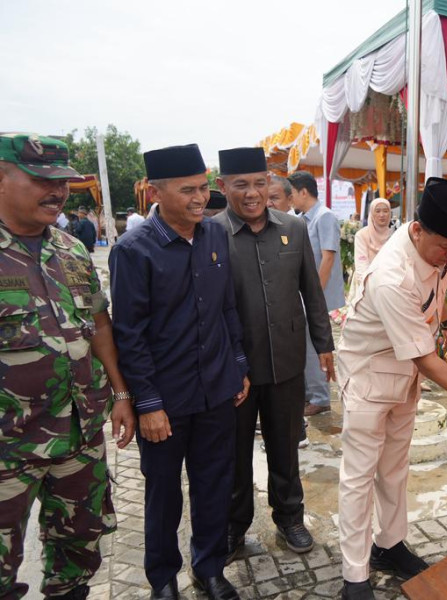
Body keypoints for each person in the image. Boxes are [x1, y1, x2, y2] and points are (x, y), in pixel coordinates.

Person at [337, 177, 447, 600]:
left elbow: (433, 295)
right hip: (369, 376)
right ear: (417, 230)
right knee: (359, 476)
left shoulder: (431, 247)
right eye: (445, 248)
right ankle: (354, 576)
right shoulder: (390, 276)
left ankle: (389, 545)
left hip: (404, 376)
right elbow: (427, 360)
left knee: (394, 468)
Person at [110, 144, 250, 600]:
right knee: (164, 494)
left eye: (203, 188)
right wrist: (147, 403)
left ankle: (209, 569)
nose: (200, 198)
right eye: (187, 190)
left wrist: (238, 365)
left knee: (214, 485)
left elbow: (227, 307)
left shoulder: (215, 236)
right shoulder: (133, 250)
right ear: (156, 192)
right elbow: (129, 334)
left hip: (217, 391)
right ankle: (163, 579)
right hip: (165, 401)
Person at [0, 133, 135, 599]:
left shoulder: (70, 249)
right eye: (42, 180)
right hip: (9, 443)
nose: (57, 191)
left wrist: (120, 393)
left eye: (62, 182)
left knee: (80, 542)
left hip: (79, 433)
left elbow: (98, 324)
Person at [212, 147, 335, 561]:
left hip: (286, 361)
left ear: (270, 183)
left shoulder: (293, 228)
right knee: (235, 453)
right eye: (241, 185)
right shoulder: (211, 233)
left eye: (259, 183)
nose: (252, 193)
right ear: (222, 186)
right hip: (236, 370)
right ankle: (234, 526)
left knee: (285, 445)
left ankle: (290, 517)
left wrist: (324, 344)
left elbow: (311, 291)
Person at [288, 171, 345, 416]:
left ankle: (320, 397)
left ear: (303, 192)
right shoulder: (302, 218)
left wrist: (315, 296)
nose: (289, 198)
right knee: (306, 346)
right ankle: (309, 394)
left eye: (291, 193)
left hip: (317, 295)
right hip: (307, 293)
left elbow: (328, 257)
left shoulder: (324, 216)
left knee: (315, 347)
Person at [349, 197, 393, 301]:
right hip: (364, 287)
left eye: (385, 211)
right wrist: (369, 287)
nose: (382, 215)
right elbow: (361, 265)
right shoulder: (362, 235)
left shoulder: (394, 235)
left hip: (389, 286)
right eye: (377, 211)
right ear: (372, 214)